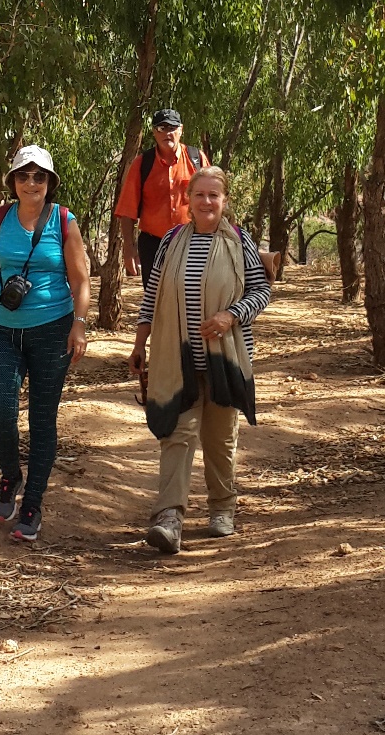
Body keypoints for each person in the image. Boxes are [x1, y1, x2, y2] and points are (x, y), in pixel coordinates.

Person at [0, 145, 90, 544]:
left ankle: (33, 503)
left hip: (52, 328)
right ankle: (10, 474)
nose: (31, 182)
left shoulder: (64, 221)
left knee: (43, 420)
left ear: (50, 183)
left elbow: (81, 280)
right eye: (23, 175)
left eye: (39, 176)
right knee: (2, 415)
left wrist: (78, 325)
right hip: (3, 330)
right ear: (12, 181)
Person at [128, 167, 270, 556]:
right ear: (187, 200)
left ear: (224, 202)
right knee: (178, 434)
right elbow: (152, 295)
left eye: (214, 196)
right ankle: (169, 517)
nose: (206, 202)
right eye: (199, 195)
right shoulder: (173, 240)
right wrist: (139, 344)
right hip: (177, 358)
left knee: (219, 439)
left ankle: (222, 508)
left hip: (226, 358)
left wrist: (231, 315)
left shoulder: (240, 241)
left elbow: (261, 291)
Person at [114, 109, 209, 288]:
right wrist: (129, 248)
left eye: (172, 127)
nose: (168, 133)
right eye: (162, 128)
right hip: (153, 245)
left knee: (192, 295)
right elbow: (127, 209)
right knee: (155, 300)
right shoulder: (142, 164)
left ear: (181, 129)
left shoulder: (197, 159)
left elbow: (214, 201)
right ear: (154, 132)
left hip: (193, 242)